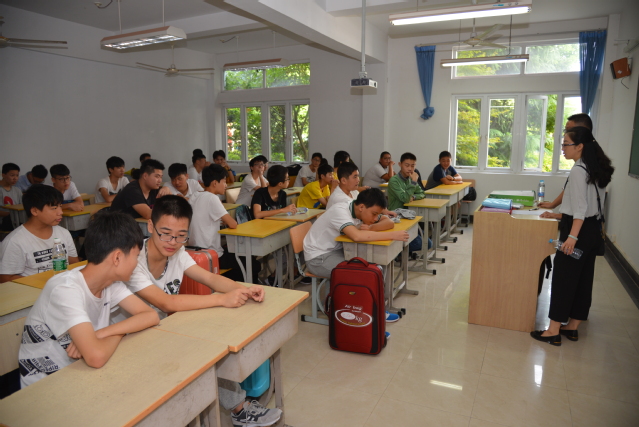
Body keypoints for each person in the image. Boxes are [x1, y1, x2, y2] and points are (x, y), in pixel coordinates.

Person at [114, 195, 282, 427]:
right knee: (197, 356)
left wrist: (243, 290)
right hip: (128, 339)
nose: (173, 242)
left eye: (181, 235)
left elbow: (210, 278)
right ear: (150, 226)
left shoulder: (177, 253)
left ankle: (238, 409)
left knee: (208, 351)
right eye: (166, 233)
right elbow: (166, 303)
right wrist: (221, 300)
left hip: (161, 329)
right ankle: (225, 411)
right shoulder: (133, 260)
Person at [18, 211, 159, 388]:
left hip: (82, 375)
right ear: (117, 257)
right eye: (136, 256)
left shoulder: (110, 283)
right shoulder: (65, 289)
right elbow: (96, 357)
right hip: (45, 387)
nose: (137, 263)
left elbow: (150, 315)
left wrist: (102, 334)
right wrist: (120, 332)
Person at [531, 126, 614, 346]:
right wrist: (559, 214)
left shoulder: (578, 170)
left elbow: (580, 208)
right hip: (592, 230)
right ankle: (573, 327)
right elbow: (590, 207)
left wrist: (572, 237)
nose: (562, 148)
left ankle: (553, 331)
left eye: (566, 144)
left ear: (580, 146)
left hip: (578, 231)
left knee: (564, 279)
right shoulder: (594, 167)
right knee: (583, 279)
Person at [303, 188, 409, 326]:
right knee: (364, 274)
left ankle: (358, 307)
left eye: (377, 215)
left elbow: (389, 222)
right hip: (318, 258)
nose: (375, 218)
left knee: (376, 266)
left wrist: (371, 228)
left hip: (337, 252)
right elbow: (357, 236)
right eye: (374, 214)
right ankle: (371, 313)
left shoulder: (360, 209)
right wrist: (393, 235)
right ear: (361, 207)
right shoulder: (340, 211)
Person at [189, 164, 260, 283]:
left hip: (194, 252)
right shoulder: (212, 198)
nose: (226, 185)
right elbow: (233, 224)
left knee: (240, 257)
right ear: (214, 183)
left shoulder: (195, 195)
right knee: (252, 262)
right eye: (224, 181)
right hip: (212, 255)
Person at [0, 184, 79, 282]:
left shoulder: (64, 233)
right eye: (54, 208)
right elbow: (5, 278)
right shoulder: (15, 241)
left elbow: (74, 263)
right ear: (35, 211)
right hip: (33, 289)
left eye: (60, 206)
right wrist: (42, 283)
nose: (60, 212)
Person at [539, 113, 593, 210]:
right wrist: (553, 206)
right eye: (566, 130)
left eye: (569, 130)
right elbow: (569, 188)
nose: (566, 134)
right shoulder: (581, 161)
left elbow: (582, 209)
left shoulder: (586, 164)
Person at [387, 153, 428, 255]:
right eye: (407, 165)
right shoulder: (394, 181)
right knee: (421, 243)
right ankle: (396, 252)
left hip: (409, 216)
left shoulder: (410, 178)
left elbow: (422, 193)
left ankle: (400, 251)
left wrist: (413, 197)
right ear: (400, 164)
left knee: (428, 243)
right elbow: (405, 199)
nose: (410, 168)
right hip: (397, 218)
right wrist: (413, 182)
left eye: (413, 166)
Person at [1, 163, 22, 231]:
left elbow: (21, 206)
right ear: (3, 175)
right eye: (12, 175)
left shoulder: (17, 190)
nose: (15, 178)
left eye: (17, 175)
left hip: (16, 220)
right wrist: (13, 214)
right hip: (3, 221)